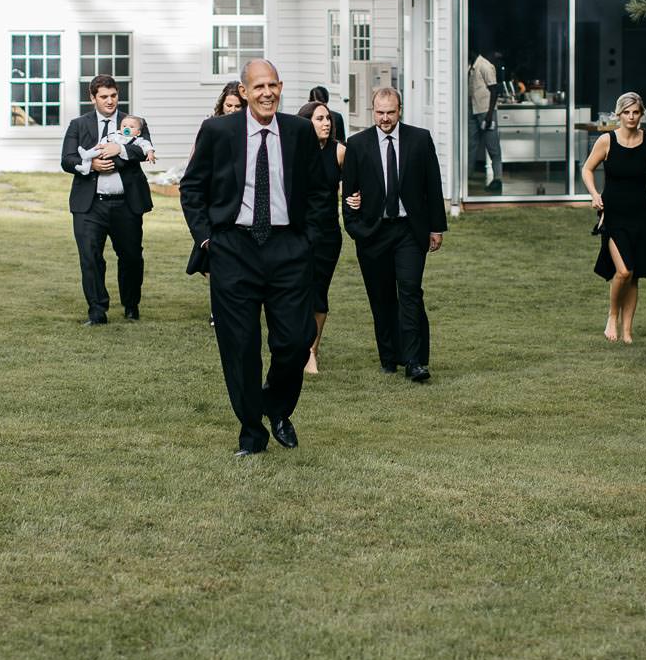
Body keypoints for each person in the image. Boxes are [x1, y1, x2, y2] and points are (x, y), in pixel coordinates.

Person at [180, 59, 331, 456]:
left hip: (287, 249)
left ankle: (277, 406)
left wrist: (308, 240)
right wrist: (208, 239)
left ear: (281, 88)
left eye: (273, 86)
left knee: (297, 341)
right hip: (233, 248)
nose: (267, 93)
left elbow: (319, 191)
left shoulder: (298, 132)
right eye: (258, 86)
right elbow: (192, 188)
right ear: (244, 92)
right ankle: (252, 434)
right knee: (240, 347)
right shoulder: (218, 131)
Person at [339, 86, 446, 383]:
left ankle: (415, 361)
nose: (385, 118)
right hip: (373, 233)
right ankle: (389, 357)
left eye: (390, 112)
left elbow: (432, 186)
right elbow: (349, 194)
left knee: (410, 291)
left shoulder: (420, 139)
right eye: (380, 112)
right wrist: (357, 230)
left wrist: (436, 227)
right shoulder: (357, 144)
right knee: (381, 297)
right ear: (373, 111)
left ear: (400, 110)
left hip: (409, 231)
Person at [582, 91, 646, 345]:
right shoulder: (606, 141)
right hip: (614, 214)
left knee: (634, 275)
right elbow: (587, 169)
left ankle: (628, 332)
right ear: (618, 114)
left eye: (636, 112)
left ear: (641, 114)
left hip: (641, 214)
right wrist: (593, 194)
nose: (631, 117)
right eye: (626, 112)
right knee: (623, 271)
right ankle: (612, 315)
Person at [61, 75, 154, 325]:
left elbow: (144, 150)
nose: (110, 101)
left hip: (126, 203)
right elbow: (67, 159)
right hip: (90, 205)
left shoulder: (133, 122)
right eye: (103, 97)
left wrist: (120, 150)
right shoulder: (78, 125)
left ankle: (131, 304)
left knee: (131, 257)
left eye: (113, 95)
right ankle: (97, 310)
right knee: (90, 257)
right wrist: (92, 165)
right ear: (92, 98)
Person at [297, 99, 347, 373]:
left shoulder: (340, 152)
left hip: (328, 235)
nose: (326, 122)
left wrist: (356, 198)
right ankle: (297, 345)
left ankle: (311, 351)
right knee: (298, 290)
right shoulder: (294, 152)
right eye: (319, 118)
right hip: (299, 233)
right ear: (307, 123)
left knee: (319, 292)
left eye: (328, 118)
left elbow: (354, 187)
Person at [468, 49, 503, 193]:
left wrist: (489, 115)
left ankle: (498, 179)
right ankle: (467, 177)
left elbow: (494, 91)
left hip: (485, 111)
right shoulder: (471, 67)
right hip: (473, 111)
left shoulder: (485, 66)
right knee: (471, 145)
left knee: (493, 147)